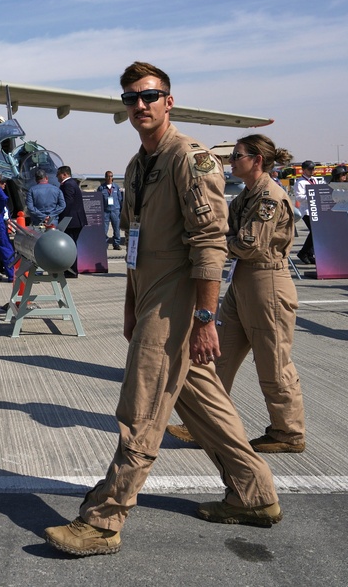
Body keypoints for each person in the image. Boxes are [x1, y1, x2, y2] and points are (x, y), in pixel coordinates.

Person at [44, 62, 281, 557]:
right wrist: (131, 303)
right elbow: (133, 241)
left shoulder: (189, 159)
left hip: (179, 301)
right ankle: (254, 495)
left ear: (168, 101)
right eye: (131, 98)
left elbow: (210, 243)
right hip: (149, 296)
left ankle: (104, 521)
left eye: (149, 96)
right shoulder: (137, 166)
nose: (140, 106)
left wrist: (203, 318)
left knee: (142, 405)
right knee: (204, 404)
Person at [166, 135, 305, 454]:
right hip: (244, 282)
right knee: (216, 356)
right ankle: (205, 422)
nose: (231, 161)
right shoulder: (247, 195)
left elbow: (247, 244)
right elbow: (225, 229)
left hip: (266, 282)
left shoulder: (269, 196)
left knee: (273, 363)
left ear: (256, 160)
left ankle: (288, 431)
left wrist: (204, 249)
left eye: (237, 156)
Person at [56, 165, 88, 277]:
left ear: (65, 174)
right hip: (75, 220)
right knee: (72, 245)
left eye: (58, 174)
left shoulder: (68, 184)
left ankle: (72, 271)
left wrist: (60, 215)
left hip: (71, 221)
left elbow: (68, 202)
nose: (56, 176)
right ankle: (71, 270)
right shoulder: (71, 183)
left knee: (70, 246)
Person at [293, 160, 323, 265]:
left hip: (316, 210)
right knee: (315, 232)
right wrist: (311, 195)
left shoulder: (315, 180)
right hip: (306, 211)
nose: (312, 171)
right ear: (304, 170)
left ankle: (310, 254)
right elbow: (299, 197)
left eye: (313, 169)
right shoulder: (300, 182)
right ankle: (303, 253)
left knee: (317, 233)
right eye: (310, 169)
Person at [97, 170, 124, 249]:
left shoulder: (116, 187)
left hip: (115, 210)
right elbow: (98, 200)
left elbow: (120, 199)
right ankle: (104, 243)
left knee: (116, 228)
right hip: (105, 211)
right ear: (105, 177)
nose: (109, 178)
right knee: (104, 229)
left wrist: (121, 210)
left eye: (111, 176)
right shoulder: (101, 188)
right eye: (108, 176)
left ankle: (116, 243)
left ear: (113, 177)